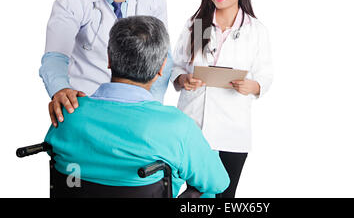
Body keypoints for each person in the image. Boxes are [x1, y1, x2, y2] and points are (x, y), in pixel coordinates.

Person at [44, 16, 229, 197]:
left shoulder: (67, 111)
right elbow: (219, 182)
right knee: (208, 191)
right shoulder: (177, 126)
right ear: (161, 68)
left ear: (109, 58)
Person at [39, 0, 173, 128]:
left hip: (138, 104)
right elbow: (55, 57)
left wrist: (152, 103)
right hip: (89, 103)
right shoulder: (72, 1)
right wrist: (60, 89)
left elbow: (162, 54)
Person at [170, 0, 273, 198]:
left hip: (232, 130)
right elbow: (176, 67)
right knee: (189, 196)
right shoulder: (196, 25)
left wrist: (254, 86)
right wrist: (184, 80)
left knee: (225, 197)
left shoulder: (255, 31)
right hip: (192, 124)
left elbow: (266, 74)